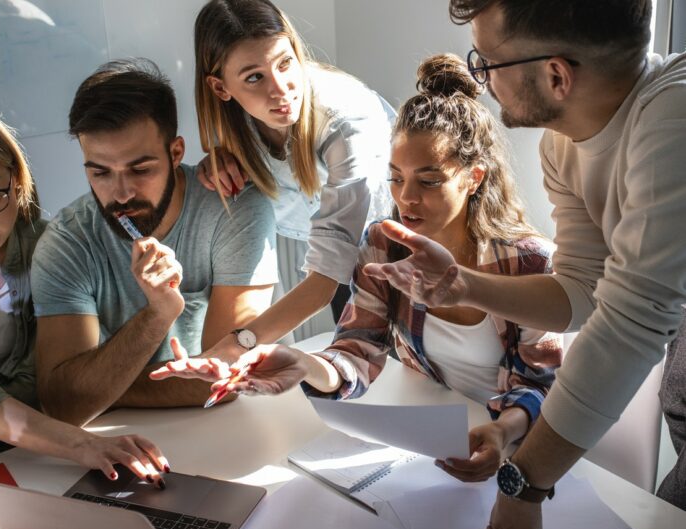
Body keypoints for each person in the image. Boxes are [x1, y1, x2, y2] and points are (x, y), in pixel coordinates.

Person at [154, 54, 563, 482]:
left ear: (474, 178)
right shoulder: (384, 245)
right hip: (429, 441)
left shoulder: (528, 263)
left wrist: (500, 432)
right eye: (395, 178)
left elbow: (539, 386)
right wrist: (302, 362)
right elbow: (357, 351)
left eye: (428, 181)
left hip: (512, 450)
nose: (406, 198)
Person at [361, 0, 686, 529]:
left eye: (487, 63)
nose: (480, 82)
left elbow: (629, 327)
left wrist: (524, 485)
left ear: (556, 74)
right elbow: (580, 292)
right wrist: (461, 284)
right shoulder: (563, 145)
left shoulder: (674, 118)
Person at [31, 58, 278, 426]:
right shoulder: (67, 241)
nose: (121, 193)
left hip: (232, 427)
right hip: (118, 442)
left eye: (140, 169)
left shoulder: (237, 209)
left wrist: (103, 389)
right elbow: (64, 406)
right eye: (99, 172)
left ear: (176, 153)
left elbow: (225, 378)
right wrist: (158, 313)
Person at [0, 102, 167, 485]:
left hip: (8, 441)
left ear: (17, 179)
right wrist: (79, 445)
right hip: (8, 436)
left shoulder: (54, 247)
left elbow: (39, 384)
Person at [189, 0, 394, 348]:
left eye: (286, 63)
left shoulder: (345, 123)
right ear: (221, 88)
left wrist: (236, 347)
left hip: (391, 241)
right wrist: (220, 159)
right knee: (339, 359)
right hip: (317, 245)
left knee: (387, 361)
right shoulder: (238, 123)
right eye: (255, 77)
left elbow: (326, 278)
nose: (281, 90)